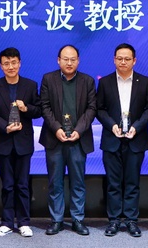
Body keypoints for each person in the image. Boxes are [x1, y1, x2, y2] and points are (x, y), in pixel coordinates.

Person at [96, 43, 148, 237]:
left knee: (132, 182)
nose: (123, 62)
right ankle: (114, 220)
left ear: (134, 61)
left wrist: (136, 127)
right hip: (112, 138)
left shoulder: (144, 82)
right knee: (113, 183)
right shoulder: (105, 82)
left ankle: (131, 220)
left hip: (135, 139)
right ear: (114, 60)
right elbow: (99, 109)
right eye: (119, 58)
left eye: (127, 59)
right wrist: (112, 125)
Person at [38, 44, 97, 236]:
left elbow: (91, 109)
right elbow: (45, 107)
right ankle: (56, 220)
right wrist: (56, 129)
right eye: (65, 59)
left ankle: (78, 220)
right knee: (55, 182)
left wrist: (79, 130)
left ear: (78, 61)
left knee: (78, 182)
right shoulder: (48, 79)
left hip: (78, 140)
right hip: (54, 139)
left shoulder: (88, 81)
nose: (69, 63)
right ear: (58, 60)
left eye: (73, 59)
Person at [0, 47, 42, 237]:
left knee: (23, 184)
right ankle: (7, 222)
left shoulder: (30, 85)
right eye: (6, 63)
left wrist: (26, 109)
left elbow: (39, 110)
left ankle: (24, 222)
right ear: (1, 66)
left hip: (24, 142)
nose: (11, 67)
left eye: (14, 62)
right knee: (7, 184)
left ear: (20, 63)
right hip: (3, 141)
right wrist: (4, 126)